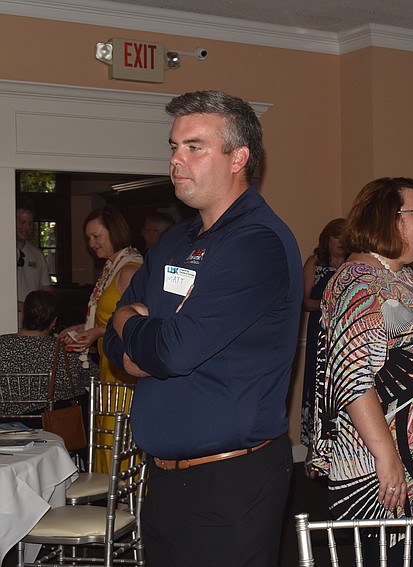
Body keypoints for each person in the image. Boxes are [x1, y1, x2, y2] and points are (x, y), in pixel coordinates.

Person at [103, 90, 302, 567]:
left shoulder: (257, 242)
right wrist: (134, 333)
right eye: (173, 147)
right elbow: (112, 338)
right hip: (165, 481)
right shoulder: (175, 238)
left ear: (240, 158)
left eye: (194, 147)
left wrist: (134, 324)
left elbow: (173, 351)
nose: (176, 160)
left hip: (231, 484)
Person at [311, 177, 413, 566]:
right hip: (388, 466)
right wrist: (388, 459)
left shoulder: (403, 277)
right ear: (391, 220)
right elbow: (351, 378)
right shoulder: (360, 282)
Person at [59, 205, 142, 470]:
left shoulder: (130, 270)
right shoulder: (112, 268)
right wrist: (81, 328)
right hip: (109, 368)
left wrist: (97, 332)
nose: (91, 244)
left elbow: (139, 324)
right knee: (108, 441)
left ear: (114, 232)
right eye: (88, 238)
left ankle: (127, 506)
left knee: (122, 442)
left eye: (96, 236)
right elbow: (106, 317)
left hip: (125, 371)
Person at [300, 217, 346, 473]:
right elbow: (304, 301)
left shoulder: (353, 265)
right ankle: (311, 450)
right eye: (336, 237)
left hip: (343, 332)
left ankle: (340, 449)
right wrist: (328, 306)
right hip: (320, 330)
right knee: (316, 386)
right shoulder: (315, 263)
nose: (340, 243)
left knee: (339, 387)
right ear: (327, 238)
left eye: (344, 237)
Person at [0, 291, 88, 418]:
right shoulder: (66, 349)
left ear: (24, 313)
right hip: (54, 425)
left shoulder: (2, 344)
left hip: (5, 423)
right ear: (54, 321)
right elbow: (90, 376)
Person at [15, 198, 52, 326]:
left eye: (30, 223)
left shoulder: (38, 255)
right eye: (22, 222)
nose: (26, 227)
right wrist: (21, 307)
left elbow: (47, 290)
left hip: (33, 326)